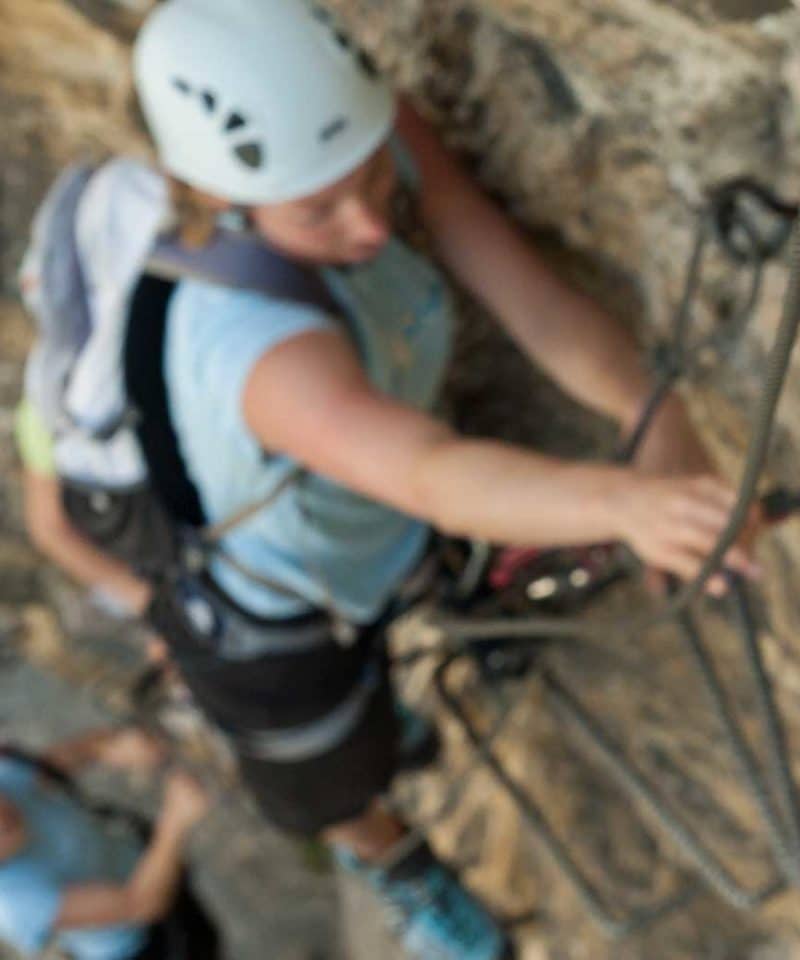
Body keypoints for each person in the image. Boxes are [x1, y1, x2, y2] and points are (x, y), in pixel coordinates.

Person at [25, 0, 760, 957]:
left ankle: (393, 701)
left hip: (364, 528)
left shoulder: (359, 132)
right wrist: (627, 502)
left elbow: (524, 295)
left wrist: (651, 415)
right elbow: (429, 471)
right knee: (327, 779)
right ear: (219, 196)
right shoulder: (247, 345)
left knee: (396, 610)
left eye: (371, 178)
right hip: (271, 613)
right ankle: (400, 868)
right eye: (320, 210)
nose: (369, 219)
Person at [0, 726, 216, 960]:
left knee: (206, 936)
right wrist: (174, 822)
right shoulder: (15, 902)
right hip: (133, 946)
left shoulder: (6, 777)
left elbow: (50, 766)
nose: (3, 817)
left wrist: (106, 747)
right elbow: (139, 906)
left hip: (146, 866)